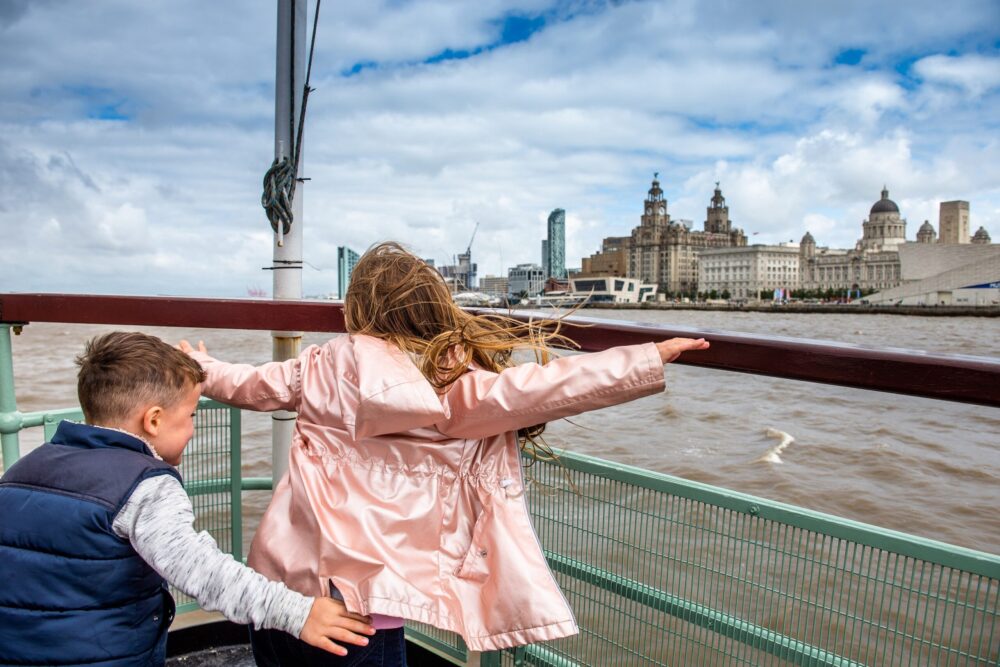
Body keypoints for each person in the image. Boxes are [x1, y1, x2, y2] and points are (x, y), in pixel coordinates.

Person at [181, 241, 710, 666]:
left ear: (357, 309)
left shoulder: (318, 365)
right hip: (370, 613)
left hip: (287, 597)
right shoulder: (452, 389)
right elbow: (545, 386)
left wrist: (202, 369)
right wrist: (647, 359)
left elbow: (248, 385)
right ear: (432, 310)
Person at [0, 332, 375, 666]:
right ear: (154, 421)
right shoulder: (143, 485)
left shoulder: (23, 470)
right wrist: (298, 613)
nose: (194, 428)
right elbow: (199, 569)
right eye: (191, 415)